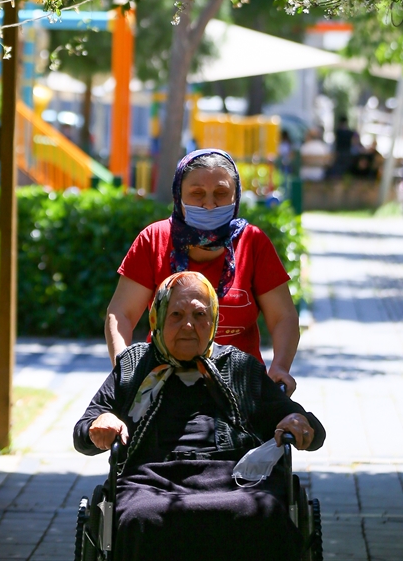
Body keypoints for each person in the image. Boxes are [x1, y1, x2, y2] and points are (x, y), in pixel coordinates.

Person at [75, 272, 325, 561]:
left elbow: (308, 427)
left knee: (262, 511)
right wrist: (100, 423)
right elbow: (84, 432)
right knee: (140, 517)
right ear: (157, 317)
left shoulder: (238, 366)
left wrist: (299, 423)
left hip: (235, 479)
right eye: (177, 315)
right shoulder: (134, 366)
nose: (189, 325)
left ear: (214, 320)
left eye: (199, 314)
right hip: (149, 480)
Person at [105, 149, 300, 392]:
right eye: (197, 194)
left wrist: (280, 368)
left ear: (236, 196)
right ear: (179, 196)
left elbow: (283, 317)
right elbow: (121, 313)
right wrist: (123, 367)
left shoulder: (253, 243)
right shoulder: (153, 240)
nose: (209, 204)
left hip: (240, 388)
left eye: (221, 193)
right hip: (161, 387)